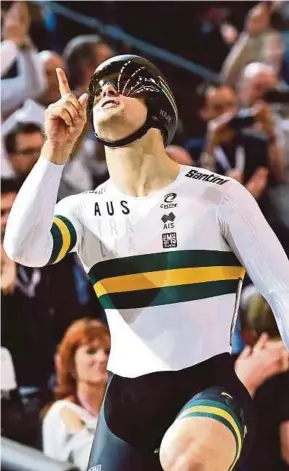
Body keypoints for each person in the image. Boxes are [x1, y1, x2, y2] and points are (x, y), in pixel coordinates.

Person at [4, 54, 289, 471]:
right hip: (124, 407)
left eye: (124, 83)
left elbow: (283, 292)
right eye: (99, 87)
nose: (106, 91)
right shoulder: (83, 209)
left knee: (188, 461)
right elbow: (23, 249)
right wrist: (55, 151)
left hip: (208, 388)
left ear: (158, 105)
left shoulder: (218, 195)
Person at [42, 318, 110, 471]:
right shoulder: (62, 412)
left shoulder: (117, 412)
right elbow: (93, 463)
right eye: (91, 351)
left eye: (107, 351)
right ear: (71, 363)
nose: (102, 358)